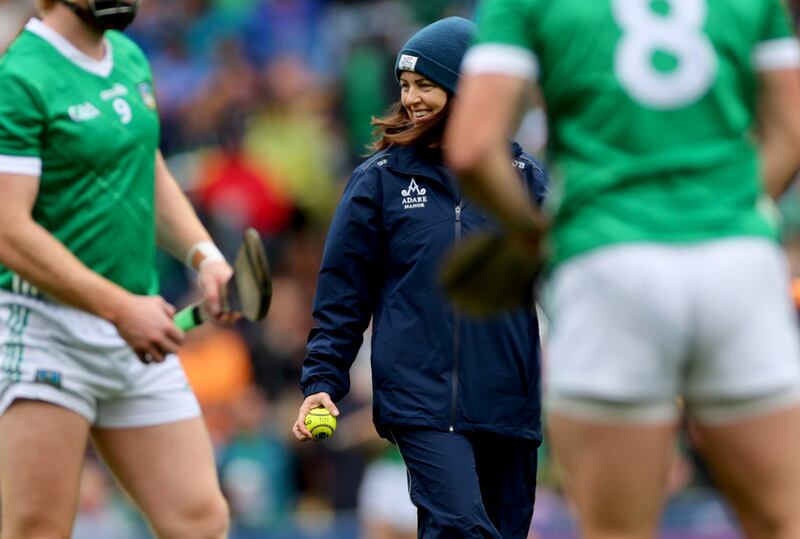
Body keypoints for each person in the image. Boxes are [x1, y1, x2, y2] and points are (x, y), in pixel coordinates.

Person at [444, 1, 800, 538]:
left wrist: (533, 235)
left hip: (607, 265)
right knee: (784, 522)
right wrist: (736, 210)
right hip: (736, 264)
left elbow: (471, 149)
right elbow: (791, 131)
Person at [291, 17, 547, 539]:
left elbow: (566, 282)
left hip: (509, 405)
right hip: (421, 401)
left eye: (425, 84)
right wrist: (322, 382)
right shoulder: (379, 180)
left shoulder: (526, 179)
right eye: (405, 86)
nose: (410, 99)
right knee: (461, 531)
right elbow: (342, 293)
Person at [0, 1, 232, 537]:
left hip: (134, 333)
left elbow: (143, 167)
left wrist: (205, 257)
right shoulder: (20, 77)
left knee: (200, 520)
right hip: (44, 332)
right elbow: (8, 229)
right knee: (39, 528)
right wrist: (119, 306)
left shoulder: (128, 56)